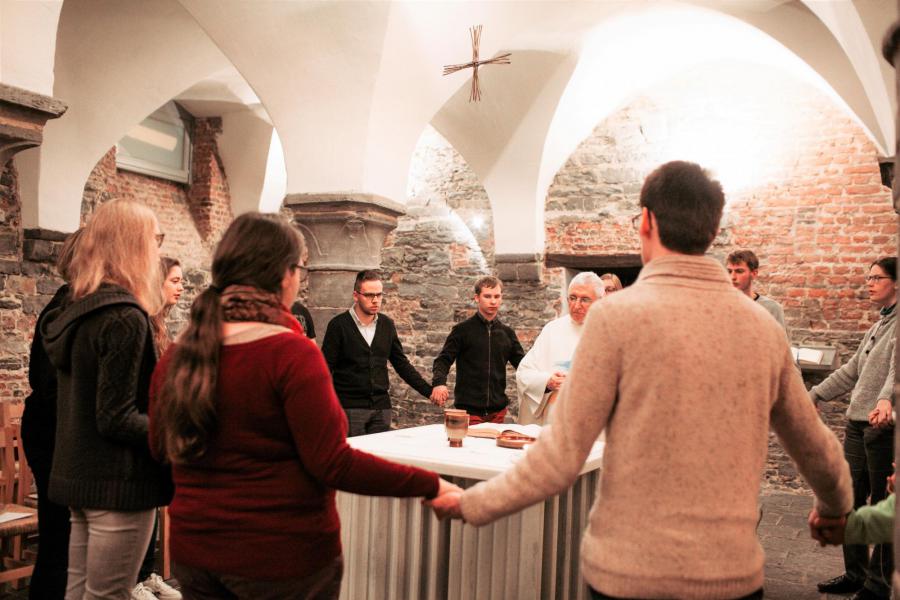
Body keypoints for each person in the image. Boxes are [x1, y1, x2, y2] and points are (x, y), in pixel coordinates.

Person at [428, 161, 852, 600]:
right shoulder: (762, 327)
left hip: (629, 572)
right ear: (711, 229)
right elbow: (814, 442)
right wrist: (835, 508)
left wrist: (469, 504)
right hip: (729, 574)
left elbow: (559, 457)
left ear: (646, 221)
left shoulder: (615, 318)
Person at [148, 213, 457, 599]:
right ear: (284, 275)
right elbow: (333, 462)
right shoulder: (290, 353)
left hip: (196, 554)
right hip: (280, 557)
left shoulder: (178, 353)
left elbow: (160, 449)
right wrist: (429, 484)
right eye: (300, 268)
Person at [40, 199, 174, 600]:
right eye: (155, 239)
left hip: (81, 478)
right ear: (133, 245)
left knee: (81, 594)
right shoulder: (123, 316)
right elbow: (115, 417)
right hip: (118, 484)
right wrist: (176, 432)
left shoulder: (80, 308)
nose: (157, 250)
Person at [810, 256, 897, 600]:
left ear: (897, 283)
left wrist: (886, 399)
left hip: (881, 428)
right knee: (851, 500)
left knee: (882, 507)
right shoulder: (879, 324)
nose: (870, 282)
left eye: (877, 277)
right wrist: (813, 395)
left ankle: (878, 585)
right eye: (869, 277)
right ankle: (855, 573)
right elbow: (851, 371)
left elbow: (895, 371)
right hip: (856, 426)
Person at [21, 229, 82, 600]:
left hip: (54, 432)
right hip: (53, 435)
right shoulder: (64, 311)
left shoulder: (71, 305)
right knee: (60, 543)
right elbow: (49, 385)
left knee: (63, 543)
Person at [321, 270, 432, 436]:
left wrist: (429, 391)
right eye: (369, 295)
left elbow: (401, 364)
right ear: (356, 295)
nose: (375, 300)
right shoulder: (338, 326)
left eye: (379, 295)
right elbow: (324, 368)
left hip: (381, 409)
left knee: (379, 456)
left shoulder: (386, 325)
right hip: (349, 408)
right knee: (352, 459)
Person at [134, 257, 185, 600]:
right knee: (141, 504)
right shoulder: (142, 323)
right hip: (143, 426)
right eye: (174, 280)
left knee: (153, 504)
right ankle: (133, 580)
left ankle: (148, 573)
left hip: (158, 424)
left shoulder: (162, 324)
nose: (180, 287)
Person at [430, 276, 525, 424]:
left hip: (497, 413)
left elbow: (524, 366)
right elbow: (443, 360)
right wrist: (439, 383)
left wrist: (545, 382)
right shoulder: (462, 330)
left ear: (501, 298)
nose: (493, 301)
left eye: (497, 296)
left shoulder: (507, 333)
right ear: (477, 298)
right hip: (468, 412)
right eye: (487, 296)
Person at [516, 272, 604, 425]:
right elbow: (524, 373)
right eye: (572, 298)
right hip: (555, 421)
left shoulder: (611, 333)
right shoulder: (553, 330)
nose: (576, 305)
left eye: (585, 299)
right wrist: (547, 381)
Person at [726, 250, 787, 335]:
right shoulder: (720, 305)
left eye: (739, 271)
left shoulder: (771, 308)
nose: (732, 277)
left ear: (754, 274)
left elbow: (781, 346)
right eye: (729, 271)